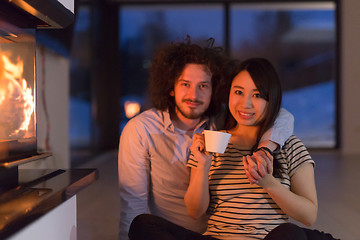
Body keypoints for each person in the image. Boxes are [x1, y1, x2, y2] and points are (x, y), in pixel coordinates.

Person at [128, 58, 338, 240]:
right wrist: (202, 166)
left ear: (271, 99)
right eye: (238, 92)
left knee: (290, 233)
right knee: (143, 225)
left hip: (269, 237)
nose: (245, 103)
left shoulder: (289, 146)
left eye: (257, 95)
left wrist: (269, 183)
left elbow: (309, 216)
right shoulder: (212, 142)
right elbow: (195, 211)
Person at [118, 37, 294, 240]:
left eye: (203, 86)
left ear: (215, 89)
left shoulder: (221, 123)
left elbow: (282, 115)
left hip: (221, 234)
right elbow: (133, 204)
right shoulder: (141, 129)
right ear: (171, 87)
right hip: (173, 235)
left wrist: (265, 148)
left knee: (297, 234)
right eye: (185, 84)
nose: (193, 95)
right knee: (141, 225)